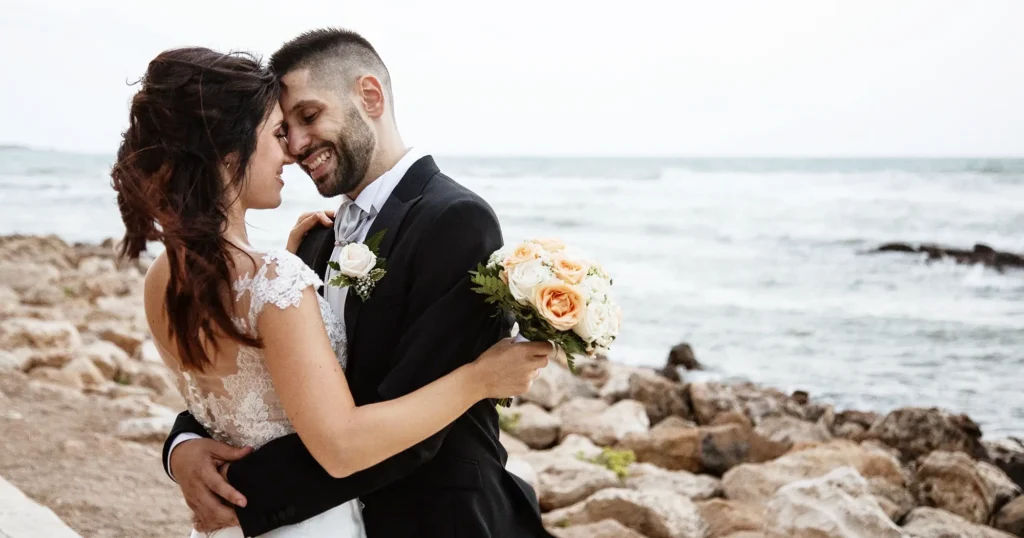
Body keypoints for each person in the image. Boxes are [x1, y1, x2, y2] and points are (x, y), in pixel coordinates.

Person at [112, 45, 551, 537]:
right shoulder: (304, 249)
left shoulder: (455, 221)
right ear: (226, 149)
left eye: (307, 116)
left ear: (369, 96)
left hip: (429, 518)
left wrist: (234, 487)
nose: (294, 146)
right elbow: (273, 393)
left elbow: (406, 428)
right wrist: (185, 446)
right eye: (281, 129)